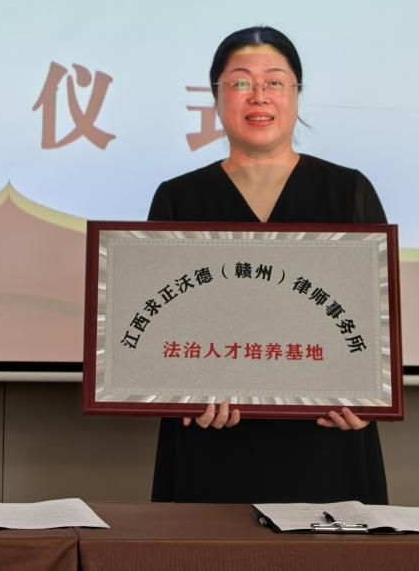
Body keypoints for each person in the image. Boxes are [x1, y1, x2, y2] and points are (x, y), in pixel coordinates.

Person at [147, 25, 388, 504]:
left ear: (297, 94)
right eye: (240, 82)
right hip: (213, 440)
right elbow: (156, 325)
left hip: (325, 438)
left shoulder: (348, 191)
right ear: (215, 97)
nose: (258, 95)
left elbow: (380, 316)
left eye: (274, 81)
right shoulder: (178, 198)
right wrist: (180, 392)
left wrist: (371, 396)